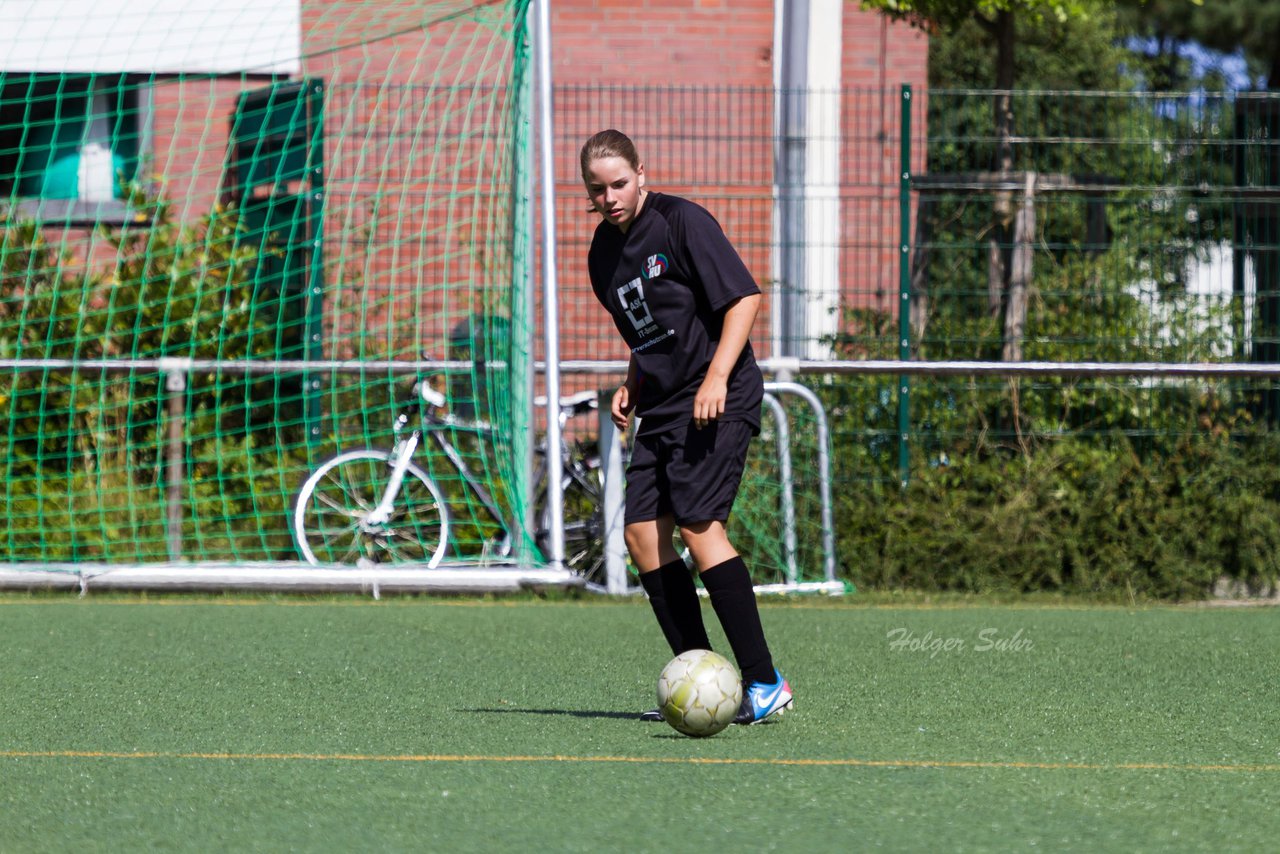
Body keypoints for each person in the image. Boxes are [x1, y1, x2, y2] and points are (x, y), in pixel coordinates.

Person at [579, 129, 792, 725]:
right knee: (642, 536)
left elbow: (744, 300)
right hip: (664, 402)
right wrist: (632, 381)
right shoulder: (602, 253)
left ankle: (764, 682)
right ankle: (698, 681)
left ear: (641, 174)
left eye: (620, 183)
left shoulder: (682, 222)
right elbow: (644, 330)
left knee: (700, 529)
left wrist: (718, 375)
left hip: (717, 394)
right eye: (598, 189)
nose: (611, 196)